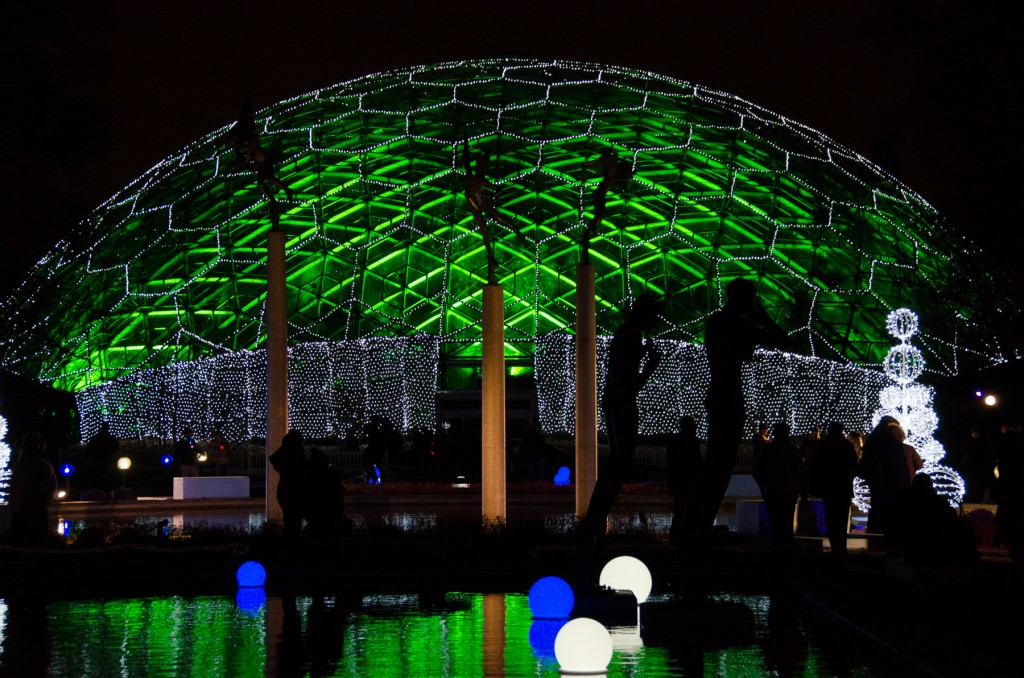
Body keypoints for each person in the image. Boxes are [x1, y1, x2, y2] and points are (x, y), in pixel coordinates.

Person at [683, 278, 790, 537]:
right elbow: (783, 341)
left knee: (716, 464)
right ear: (743, 299)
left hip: (721, 394)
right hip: (728, 397)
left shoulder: (718, 322)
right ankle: (698, 525)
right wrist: (762, 318)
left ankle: (694, 524)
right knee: (720, 464)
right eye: (750, 298)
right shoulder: (734, 325)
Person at [577, 295, 661, 575]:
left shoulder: (627, 333)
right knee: (619, 463)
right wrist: (650, 366)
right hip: (621, 402)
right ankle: (594, 522)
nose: (656, 322)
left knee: (617, 463)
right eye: (653, 315)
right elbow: (627, 382)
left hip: (616, 400)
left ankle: (594, 522)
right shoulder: (631, 334)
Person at [462, 142, 528, 284]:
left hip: (483, 205)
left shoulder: (480, 181)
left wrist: (493, 200)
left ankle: (517, 231)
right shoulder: (470, 181)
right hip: (477, 210)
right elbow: (466, 163)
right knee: (485, 231)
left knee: (500, 219)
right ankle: (491, 256)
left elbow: (499, 189)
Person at [810, 421, 859, 564]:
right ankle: (841, 546)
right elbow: (853, 466)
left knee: (831, 517)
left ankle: (835, 545)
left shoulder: (824, 446)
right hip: (843, 487)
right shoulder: (847, 446)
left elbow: (815, 465)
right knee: (842, 517)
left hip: (829, 487)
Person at [858, 415, 912, 539]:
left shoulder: (874, 440)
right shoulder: (892, 444)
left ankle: (875, 535)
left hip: (878, 482)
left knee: (878, 509)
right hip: (891, 483)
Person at [752, 422, 802, 545]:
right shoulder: (792, 450)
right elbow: (800, 472)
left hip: (772, 491)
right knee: (787, 522)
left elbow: (757, 471)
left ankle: (775, 547)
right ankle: (786, 548)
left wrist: (764, 485)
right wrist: (801, 489)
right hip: (788, 492)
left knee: (774, 521)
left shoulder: (768, 450)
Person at [582, 150, 634, 263]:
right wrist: (589, 164)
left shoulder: (614, 175)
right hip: (599, 195)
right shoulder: (612, 175)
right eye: (626, 172)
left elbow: (619, 179)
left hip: (600, 195)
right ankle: (589, 231)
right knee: (601, 213)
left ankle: (591, 230)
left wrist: (625, 178)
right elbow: (617, 177)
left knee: (601, 213)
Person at [8, 431, 57, 546]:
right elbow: (49, 488)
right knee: (37, 541)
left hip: (22, 507)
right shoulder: (44, 464)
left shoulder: (21, 464)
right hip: (37, 507)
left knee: (18, 542)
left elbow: (17, 486)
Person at [667, 416, 703, 545]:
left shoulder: (677, 442)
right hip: (686, 480)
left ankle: (678, 536)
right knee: (684, 510)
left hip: (682, 481)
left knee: (681, 510)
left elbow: (670, 464)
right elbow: (697, 462)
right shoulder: (690, 442)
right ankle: (683, 536)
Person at [269, 429, 308, 540]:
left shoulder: (284, 457)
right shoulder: (297, 456)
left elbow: (273, 458)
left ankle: (289, 543)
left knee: (289, 520)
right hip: (296, 492)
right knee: (295, 522)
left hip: (284, 491)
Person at [960, 424, 995, 504]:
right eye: (973, 433)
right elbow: (963, 450)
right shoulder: (969, 442)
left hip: (977, 465)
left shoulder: (981, 442)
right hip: (969, 465)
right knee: (969, 482)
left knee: (976, 482)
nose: (975, 435)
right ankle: (970, 498)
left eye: (976, 433)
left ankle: (977, 498)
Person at [83, 421, 119, 494]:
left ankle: (97, 490)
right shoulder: (110, 438)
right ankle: (105, 491)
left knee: (97, 475)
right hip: (106, 459)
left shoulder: (96, 438)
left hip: (96, 460)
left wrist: (87, 457)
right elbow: (116, 448)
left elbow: (89, 449)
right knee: (106, 475)